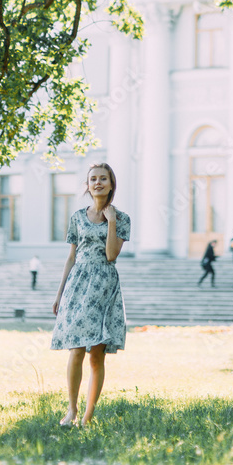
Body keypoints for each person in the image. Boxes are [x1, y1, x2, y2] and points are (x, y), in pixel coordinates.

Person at [51, 162, 130, 427]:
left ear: (111, 184)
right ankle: (71, 410)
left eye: (103, 179)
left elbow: (111, 255)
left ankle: (87, 416)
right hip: (78, 284)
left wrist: (111, 221)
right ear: (88, 184)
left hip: (104, 286)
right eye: (93, 179)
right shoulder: (76, 217)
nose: (98, 183)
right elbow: (71, 256)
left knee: (96, 355)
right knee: (76, 350)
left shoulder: (122, 219)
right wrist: (59, 293)